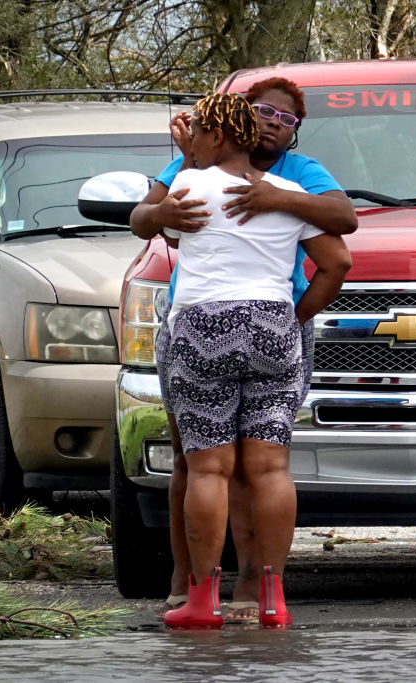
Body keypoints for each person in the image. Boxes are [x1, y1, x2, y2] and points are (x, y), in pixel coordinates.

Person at [131, 77, 356, 622]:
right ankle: (272, 600)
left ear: (212, 136)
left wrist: (183, 174)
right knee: (271, 469)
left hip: (202, 327)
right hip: (274, 330)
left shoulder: (188, 184)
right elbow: (339, 260)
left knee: (206, 469)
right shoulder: (295, 198)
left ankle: (201, 600)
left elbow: (154, 226)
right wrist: (288, 318)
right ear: (245, 128)